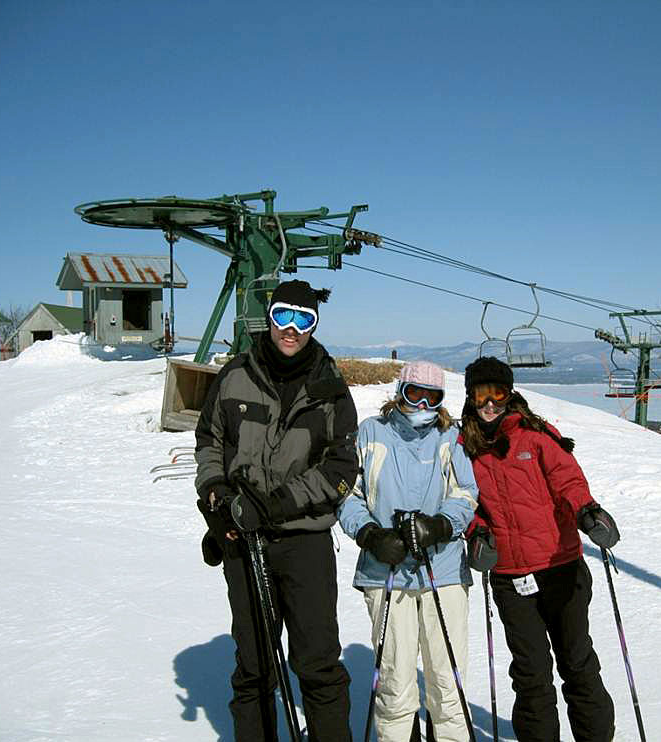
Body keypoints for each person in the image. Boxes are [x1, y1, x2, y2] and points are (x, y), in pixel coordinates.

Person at [194, 279, 358, 742]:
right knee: (255, 665)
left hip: (304, 542)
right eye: (283, 315)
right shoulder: (235, 375)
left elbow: (343, 466)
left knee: (318, 661)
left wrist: (279, 503)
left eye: (304, 319)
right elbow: (210, 441)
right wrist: (218, 496)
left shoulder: (329, 387)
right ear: (268, 318)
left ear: (314, 324)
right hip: (244, 539)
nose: (292, 329)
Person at [459, 356, 620, 742]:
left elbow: (568, 480)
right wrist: (477, 532)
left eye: (498, 393)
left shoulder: (535, 436)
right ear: (471, 396)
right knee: (531, 674)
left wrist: (587, 511)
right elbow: (460, 500)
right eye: (482, 394)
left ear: (509, 393)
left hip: (560, 566)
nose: (490, 403)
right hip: (511, 576)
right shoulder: (463, 446)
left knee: (577, 663)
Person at [338, 361, 479, 742]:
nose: (421, 405)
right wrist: (371, 534)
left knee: (447, 680)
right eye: (412, 393)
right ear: (398, 392)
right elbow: (347, 495)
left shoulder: (451, 436)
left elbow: (466, 492)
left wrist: (440, 525)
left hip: (442, 568)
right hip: (387, 569)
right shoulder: (371, 433)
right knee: (396, 682)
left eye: (430, 396)